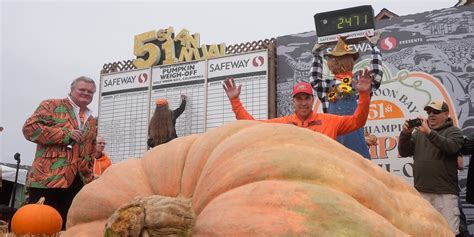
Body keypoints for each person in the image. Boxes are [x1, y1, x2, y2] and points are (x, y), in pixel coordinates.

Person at [22, 76, 97, 230]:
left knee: (68, 227)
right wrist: (64, 134)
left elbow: (91, 149)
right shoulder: (51, 105)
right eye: (82, 89)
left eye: (90, 92)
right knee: (40, 226)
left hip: (79, 180)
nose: (86, 93)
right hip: (48, 178)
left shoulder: (91, 120)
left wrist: (90, 176)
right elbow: (29, 130)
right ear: (71, 90)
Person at [222, 68, 373, 140]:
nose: (303, 103)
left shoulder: (330, 121)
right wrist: (235, 101)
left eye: (306, 98)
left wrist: (364, 94)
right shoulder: (283, 124)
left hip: (325, 181)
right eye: (299, 99)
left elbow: (358, 121)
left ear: (312, 100)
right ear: (293, 101)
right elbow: (252, 125)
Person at [310, 33, 383, 159]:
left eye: (333, 59)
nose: (332, 62)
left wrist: (374, 47)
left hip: (357, 149)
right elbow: (314, 79)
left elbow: (376, 76)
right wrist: (316, 55)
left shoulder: (359, 83)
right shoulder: (328, 86)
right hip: (335, 149)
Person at [398, 100, 464, 236]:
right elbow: (404, 152)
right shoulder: (418, 134)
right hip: (422, 193)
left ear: (446, 114)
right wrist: (405, 134)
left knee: (448, 232)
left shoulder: (454, 132)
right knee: (424, 232)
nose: (431, 115)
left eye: (436, 112)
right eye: (429, 112)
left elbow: (451, 148)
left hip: (444, 194)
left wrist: (429, 133)